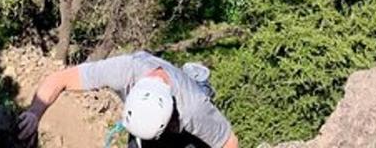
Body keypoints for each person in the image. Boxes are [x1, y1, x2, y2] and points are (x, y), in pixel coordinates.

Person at [16, 51, 239, 148]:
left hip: (188, 138)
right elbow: (60, 79)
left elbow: (229, 143)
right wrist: (35, 114)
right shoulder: (124, 71)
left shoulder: (193, 110)